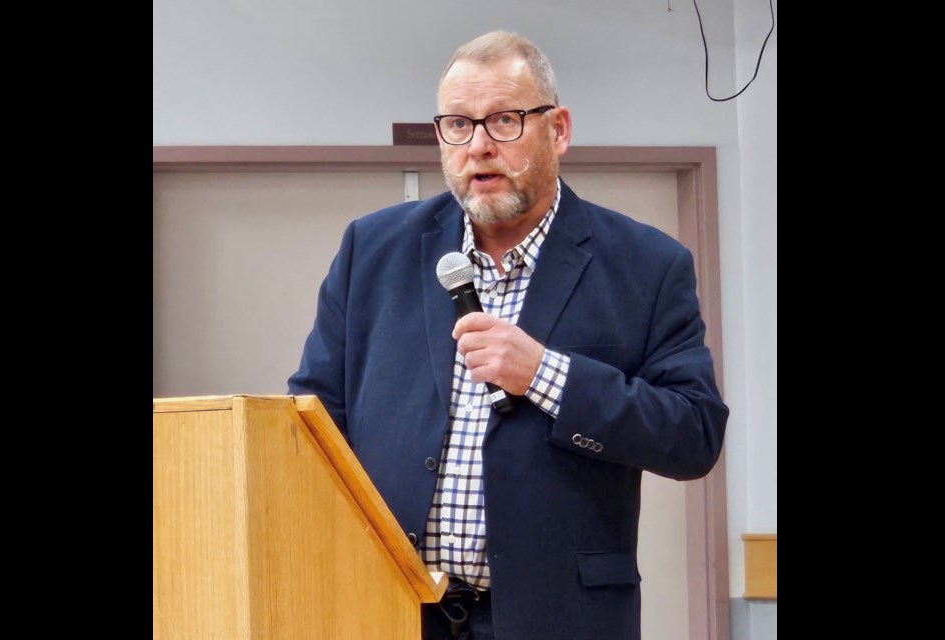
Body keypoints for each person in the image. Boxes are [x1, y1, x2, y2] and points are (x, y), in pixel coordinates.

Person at [288, 30, 728, 640]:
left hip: (560, 618)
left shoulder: (647, 265)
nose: (479, 147)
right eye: (458, 126)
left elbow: (694, 434)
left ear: (559, 130)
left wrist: (548, 375)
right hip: (391, 611)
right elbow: (311, 424)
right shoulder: (372, 250)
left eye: (504, 121)